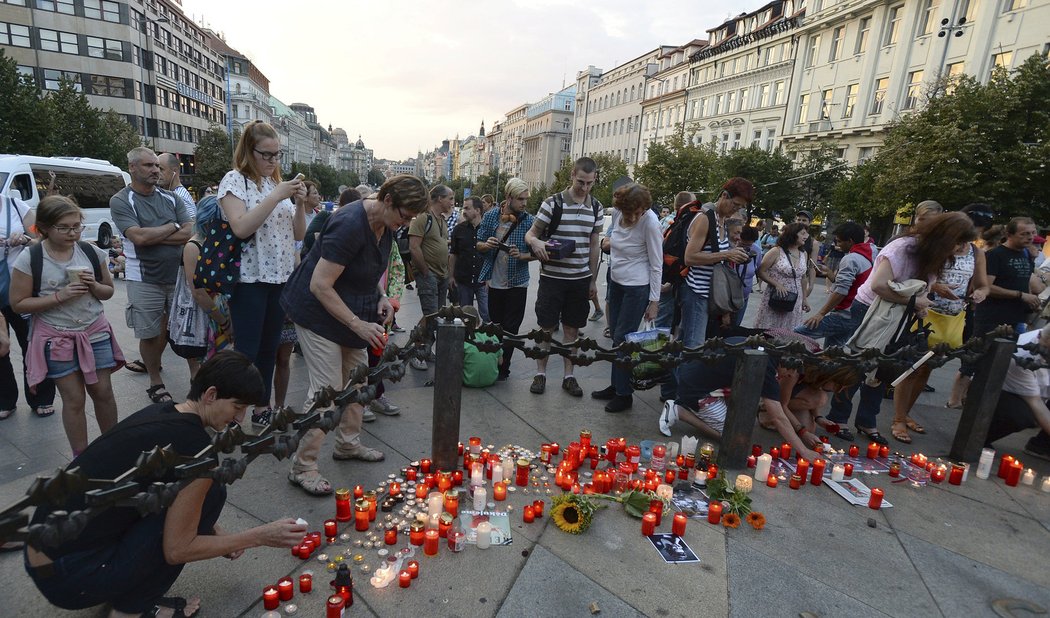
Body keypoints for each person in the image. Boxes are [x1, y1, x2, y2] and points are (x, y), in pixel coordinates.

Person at [24, 351, 307, 618]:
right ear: (211, 395)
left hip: (46, 562)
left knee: (205, 493)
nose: (239, 418)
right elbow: (177, 550)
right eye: (237, 406)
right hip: (71, 579)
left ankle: (122, 588)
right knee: (211, 493)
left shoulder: (163, 411)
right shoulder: (196, 451)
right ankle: (130, 610)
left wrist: (215, 533)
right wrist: (258, 536)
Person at [281, 174, 428, 495]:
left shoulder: (385, 225)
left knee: (359, 379)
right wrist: (358, 324)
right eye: (404, 216)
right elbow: (319, 284)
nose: (404, 224)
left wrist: (379, 298)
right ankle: (302, 466)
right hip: (317, 313)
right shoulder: (349, 223)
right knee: (327, 390)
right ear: (388, 200)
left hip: (350, 310)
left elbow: (367, 270)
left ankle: (347, 444)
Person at [833, 212, 977, 444]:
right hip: (872, 311)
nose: (960, 249)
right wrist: (914, 302)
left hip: (902, 317)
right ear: (943, 236)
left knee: (885, 370)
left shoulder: (936, 254)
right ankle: (837, 418)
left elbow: (920, 285)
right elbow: (880, 285)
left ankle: (867, 421)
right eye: (958, 242)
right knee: (857, 367)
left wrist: (925, 298)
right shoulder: (903, 248)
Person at [10, 195, 122, 456]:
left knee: (103, 392)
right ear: (45, 227)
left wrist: (93, 286)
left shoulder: (91, 252)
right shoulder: (31, 258)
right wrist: (60, 296)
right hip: (56, 336)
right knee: (74, 399)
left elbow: (108, 291)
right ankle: (81, 460)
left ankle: (114, 451)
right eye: (65, 227)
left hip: (94, 331)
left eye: (77, 226)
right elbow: (18, 303)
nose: (73, 233)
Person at [218, 120, 307, 426]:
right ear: (249, 151)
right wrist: (276, 196)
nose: (273, 161)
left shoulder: (274, 185)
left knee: (270, 348)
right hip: (249, 280)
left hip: (279, 279)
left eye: (277, 154)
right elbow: (241, 227)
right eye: (266, 154)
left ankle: (261, 407)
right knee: (246, 351)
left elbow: (298, 233)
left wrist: (299, 204)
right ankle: (230, 410)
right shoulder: (234, 181)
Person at [110, 147, 192, 404]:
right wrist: (171, 226)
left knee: (189, 331)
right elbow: (138, 237)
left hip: (178, 276)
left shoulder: (171, 198)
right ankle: (155, 381)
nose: (155, 170)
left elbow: (189, 231)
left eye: (157, 166)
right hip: (143, 278)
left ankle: (196, 379)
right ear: (132, 168)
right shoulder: (122, 200)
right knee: (150, 333)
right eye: (148, 166)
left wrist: (154, 234)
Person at [658, 338, 822, 461]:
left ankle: (691, 408)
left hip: (694, 372)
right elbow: (778, 417)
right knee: (732, 435)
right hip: (696, 389)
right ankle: (678, 410)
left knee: (739, 424)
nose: (789, 377)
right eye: (790, 374)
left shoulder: (765, 348)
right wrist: (804, 451)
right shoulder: (764, 367)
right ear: (786, 363)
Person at [524, 157, 604, 397]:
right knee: (546, 328)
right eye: (581, 181)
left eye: (590, 183)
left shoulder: (597, 207)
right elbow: (531, 234)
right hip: (553, 278)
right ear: (572, 175)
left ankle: (569, 377)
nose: (585, 187)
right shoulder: (552, 203)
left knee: (572, 329)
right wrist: (536, 242)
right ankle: (540, 374)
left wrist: (592, 279)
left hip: (579, 280)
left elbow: (594, 245)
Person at [590, 183, 662, 413]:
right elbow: (608, 241)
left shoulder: (650, 223)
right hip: (617, 281)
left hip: (637, 287)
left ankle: (624, 394)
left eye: (635, 213)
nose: (631, 217)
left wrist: (654, 301)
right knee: (616, 336)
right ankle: (616, 384)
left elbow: (656, 264)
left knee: (624, 339)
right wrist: (605, 243)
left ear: (643, 208)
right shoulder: (620, 211)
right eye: (627, 212)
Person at [678, 178, 753, 347]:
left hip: (707, 294)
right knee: (694, 346)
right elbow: (689, 257)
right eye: (735, 204)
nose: (736, 209)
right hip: (696, 292)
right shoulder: (705, 219)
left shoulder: (722, 221)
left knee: (684, 344)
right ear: (724, 196)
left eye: (740, 207)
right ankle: (684, 373)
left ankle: (673, 372)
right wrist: (726, 255)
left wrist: (733, 254)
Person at [1, 193, 54, 419]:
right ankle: (5, 400)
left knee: (32, 342)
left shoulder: (14, 205)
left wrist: (22, 238)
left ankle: (41, 397)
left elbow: (40, 238)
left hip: (20, 287)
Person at [477, 178, 535, 381]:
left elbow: (537, 252)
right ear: (508, 198)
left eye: (526, 199)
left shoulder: (529, 220)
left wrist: (523, 256)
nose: (524, 203)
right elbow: (478, 243)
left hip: (518, 280)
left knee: (512, 328)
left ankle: (504, 367)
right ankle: (494, 361)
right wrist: (488, 244)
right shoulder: (492, 216)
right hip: (495, 280)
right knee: (496, 326)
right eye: (520, 199)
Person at [174, 196, 233, 379]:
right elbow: (198, 292)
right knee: (202, 371)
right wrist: (223, 321)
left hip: (222, 310)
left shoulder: (220, 242)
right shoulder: (193, 246)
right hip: (203, 315)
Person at [795, 222, 874, 347]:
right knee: (832, 351)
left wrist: (820, 313)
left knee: (796, 334)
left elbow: (841, 291)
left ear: (850, 241)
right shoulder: (867, 256)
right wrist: (830, 274)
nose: (837, 245)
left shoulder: (851, 259)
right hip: (854, 315)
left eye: (839, 241)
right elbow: (852, 284)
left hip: (844, 314)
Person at [985, 323, 1050, 461]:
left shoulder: (1045, 336)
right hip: (1000, 395)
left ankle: (1042, 445)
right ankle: (980, 437)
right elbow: (1037, 404)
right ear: (1045, 341)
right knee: (1024, 415)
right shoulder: (1022, 355)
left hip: (1036, 394)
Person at [408, 184, 453, 370]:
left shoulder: (441, 220)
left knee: (437, 315)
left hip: (441, 275)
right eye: (450, 198)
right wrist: (425, 271)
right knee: (431, 315)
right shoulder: (422, 219)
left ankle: (426, 349)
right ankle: (416, 351)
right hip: (429, 275)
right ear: (439, 199)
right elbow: (414, 247)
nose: (452, 202)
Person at [754, 222, 810, 331]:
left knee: (788, 332)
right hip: (776, 297)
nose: (806, 236)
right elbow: (761, 271)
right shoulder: (776, 251)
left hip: (794, 300)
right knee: (770, 331)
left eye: (806, 234)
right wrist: (776, 284)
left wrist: (804, 299)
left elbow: (803, 278)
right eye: (803, 233)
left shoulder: (804, 254)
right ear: (793, 234)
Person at [449, 196, 489, 321]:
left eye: (467, 208)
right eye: (463, 208)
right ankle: (467, 339)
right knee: (466, 316)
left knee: (487, 314)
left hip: (483, 281)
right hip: (463, 280)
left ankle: (490, 339)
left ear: (477, 210)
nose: (464, 211)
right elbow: (453, 254)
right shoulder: (458, 229)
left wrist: (491, 277)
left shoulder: (488, 229)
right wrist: (451, 276)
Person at [734, 225, 762, 327]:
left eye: (749, 245)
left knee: (736, 326)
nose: (746, 247)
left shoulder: (756, 250)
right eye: (742, 243)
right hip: (726, 297)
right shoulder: (731, 247)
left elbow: (760, 269)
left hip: (744, 297)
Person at [159, 152, 197, 220]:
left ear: (175, 171)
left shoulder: (180, 197)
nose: (157, 172)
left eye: (161, 169)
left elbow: (192, 225)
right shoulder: (169, 194)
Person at [300, 181, 334, 257]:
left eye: (318, 193)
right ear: (305, 197)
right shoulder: (295, 217)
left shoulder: (321, 216)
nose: (319, 196)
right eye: (315, 193)